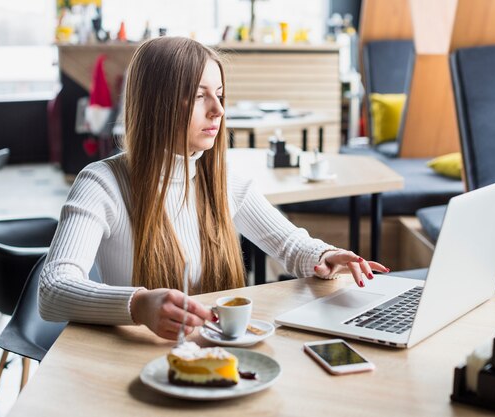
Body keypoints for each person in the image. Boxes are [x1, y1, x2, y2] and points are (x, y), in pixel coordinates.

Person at [39, 37, 388, 341]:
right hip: (141, 361)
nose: (218, 110)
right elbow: (53, 288)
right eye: (198, 96)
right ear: (156, 104)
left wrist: (323, 256)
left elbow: (290, 245)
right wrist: (138, 304)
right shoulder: (102, 183)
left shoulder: (220, 178)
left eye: (219, 95)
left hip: (217, 354)